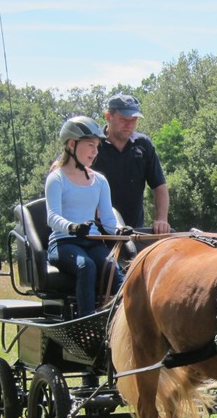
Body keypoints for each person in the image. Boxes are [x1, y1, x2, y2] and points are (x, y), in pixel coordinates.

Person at [45, 116, 128, 317]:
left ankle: (122, 320)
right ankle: (86, 321)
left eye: (97, 146)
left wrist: (120, 231)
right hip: (63, 243)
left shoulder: (100, 181)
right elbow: (52, 217)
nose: (95, 151)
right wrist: (72, 227)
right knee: (86, 266)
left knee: (111, 267)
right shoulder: (56, 179)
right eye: (90, 145)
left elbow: (108, 220)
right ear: (71, 144)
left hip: (91, 242)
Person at [93, 92, 171, 234]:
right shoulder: (93, 144)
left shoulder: (143, 145)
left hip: (133, 232)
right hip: (95, 233)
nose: (129, 125)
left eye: (133, 120)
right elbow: (66, 166)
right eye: (123, 119)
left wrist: (161, 219)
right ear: (108, 116)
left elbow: (160, 186)